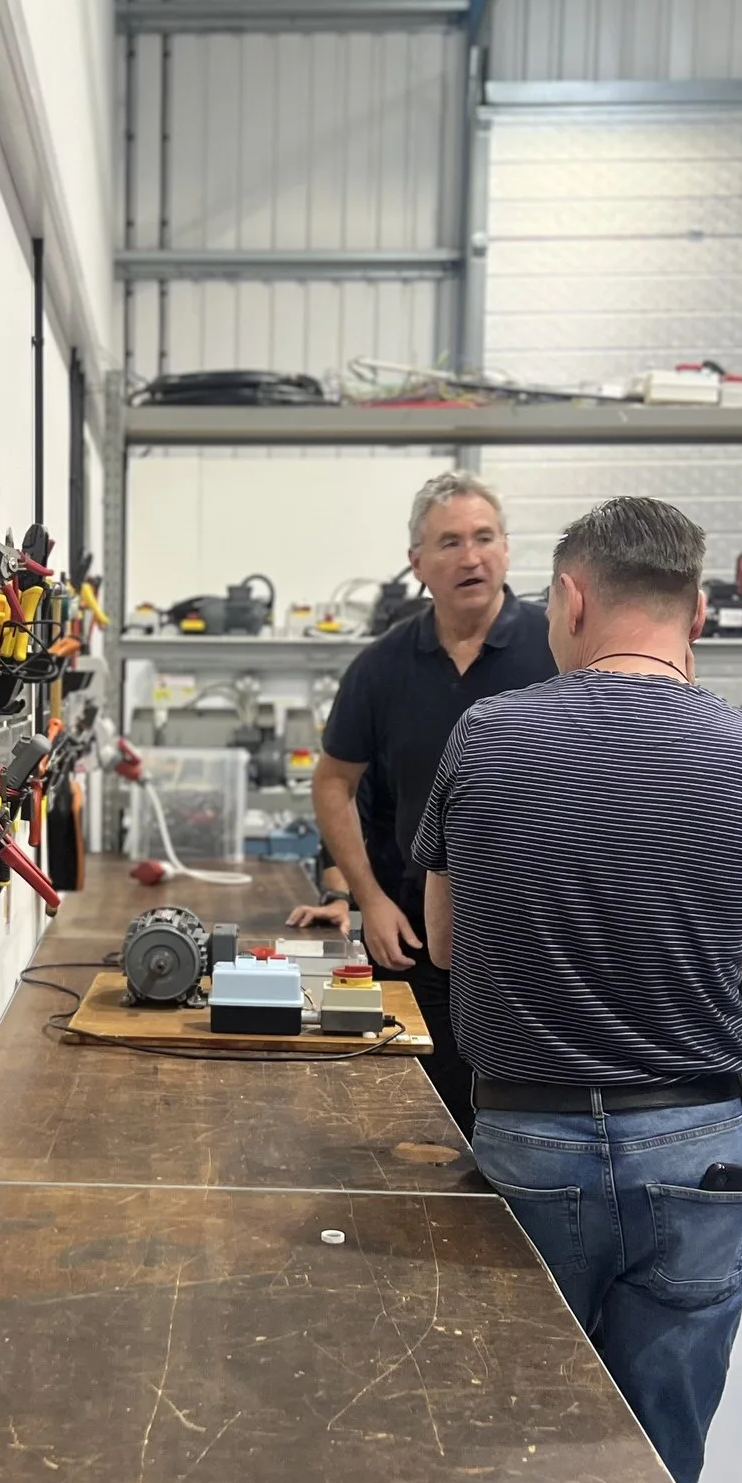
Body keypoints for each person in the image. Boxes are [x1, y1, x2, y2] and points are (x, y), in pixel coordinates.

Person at [411, 496, 742, 1483]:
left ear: (574, 597)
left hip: (528, 1139)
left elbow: (450, 942)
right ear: (700, 613)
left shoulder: (488, 736)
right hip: (696, 1150)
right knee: (654, 1462)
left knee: (508, 1441)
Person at [296, 472, 558, 1136]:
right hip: (411, 938)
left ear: (507, 548)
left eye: (484, 537)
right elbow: (333, 783)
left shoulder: (559, 649)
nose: (471, 557)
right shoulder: (381, 668)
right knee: (415, 1128)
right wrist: (369, 899)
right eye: (449, 542)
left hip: (532, 942)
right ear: (417, 563)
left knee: (523, 1128)